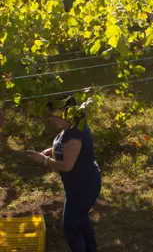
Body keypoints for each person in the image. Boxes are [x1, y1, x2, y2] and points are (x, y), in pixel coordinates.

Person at [27, 95, 101, 252]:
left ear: (65, 114)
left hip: (84, 186)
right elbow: (63, 146)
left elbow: (67, 166)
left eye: (52, 115)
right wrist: (50, 151)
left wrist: (44, 160)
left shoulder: (75, 134)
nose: (51, 119)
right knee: (80, 220)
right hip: (76, 186)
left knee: (71, 226)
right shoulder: (68, 129)